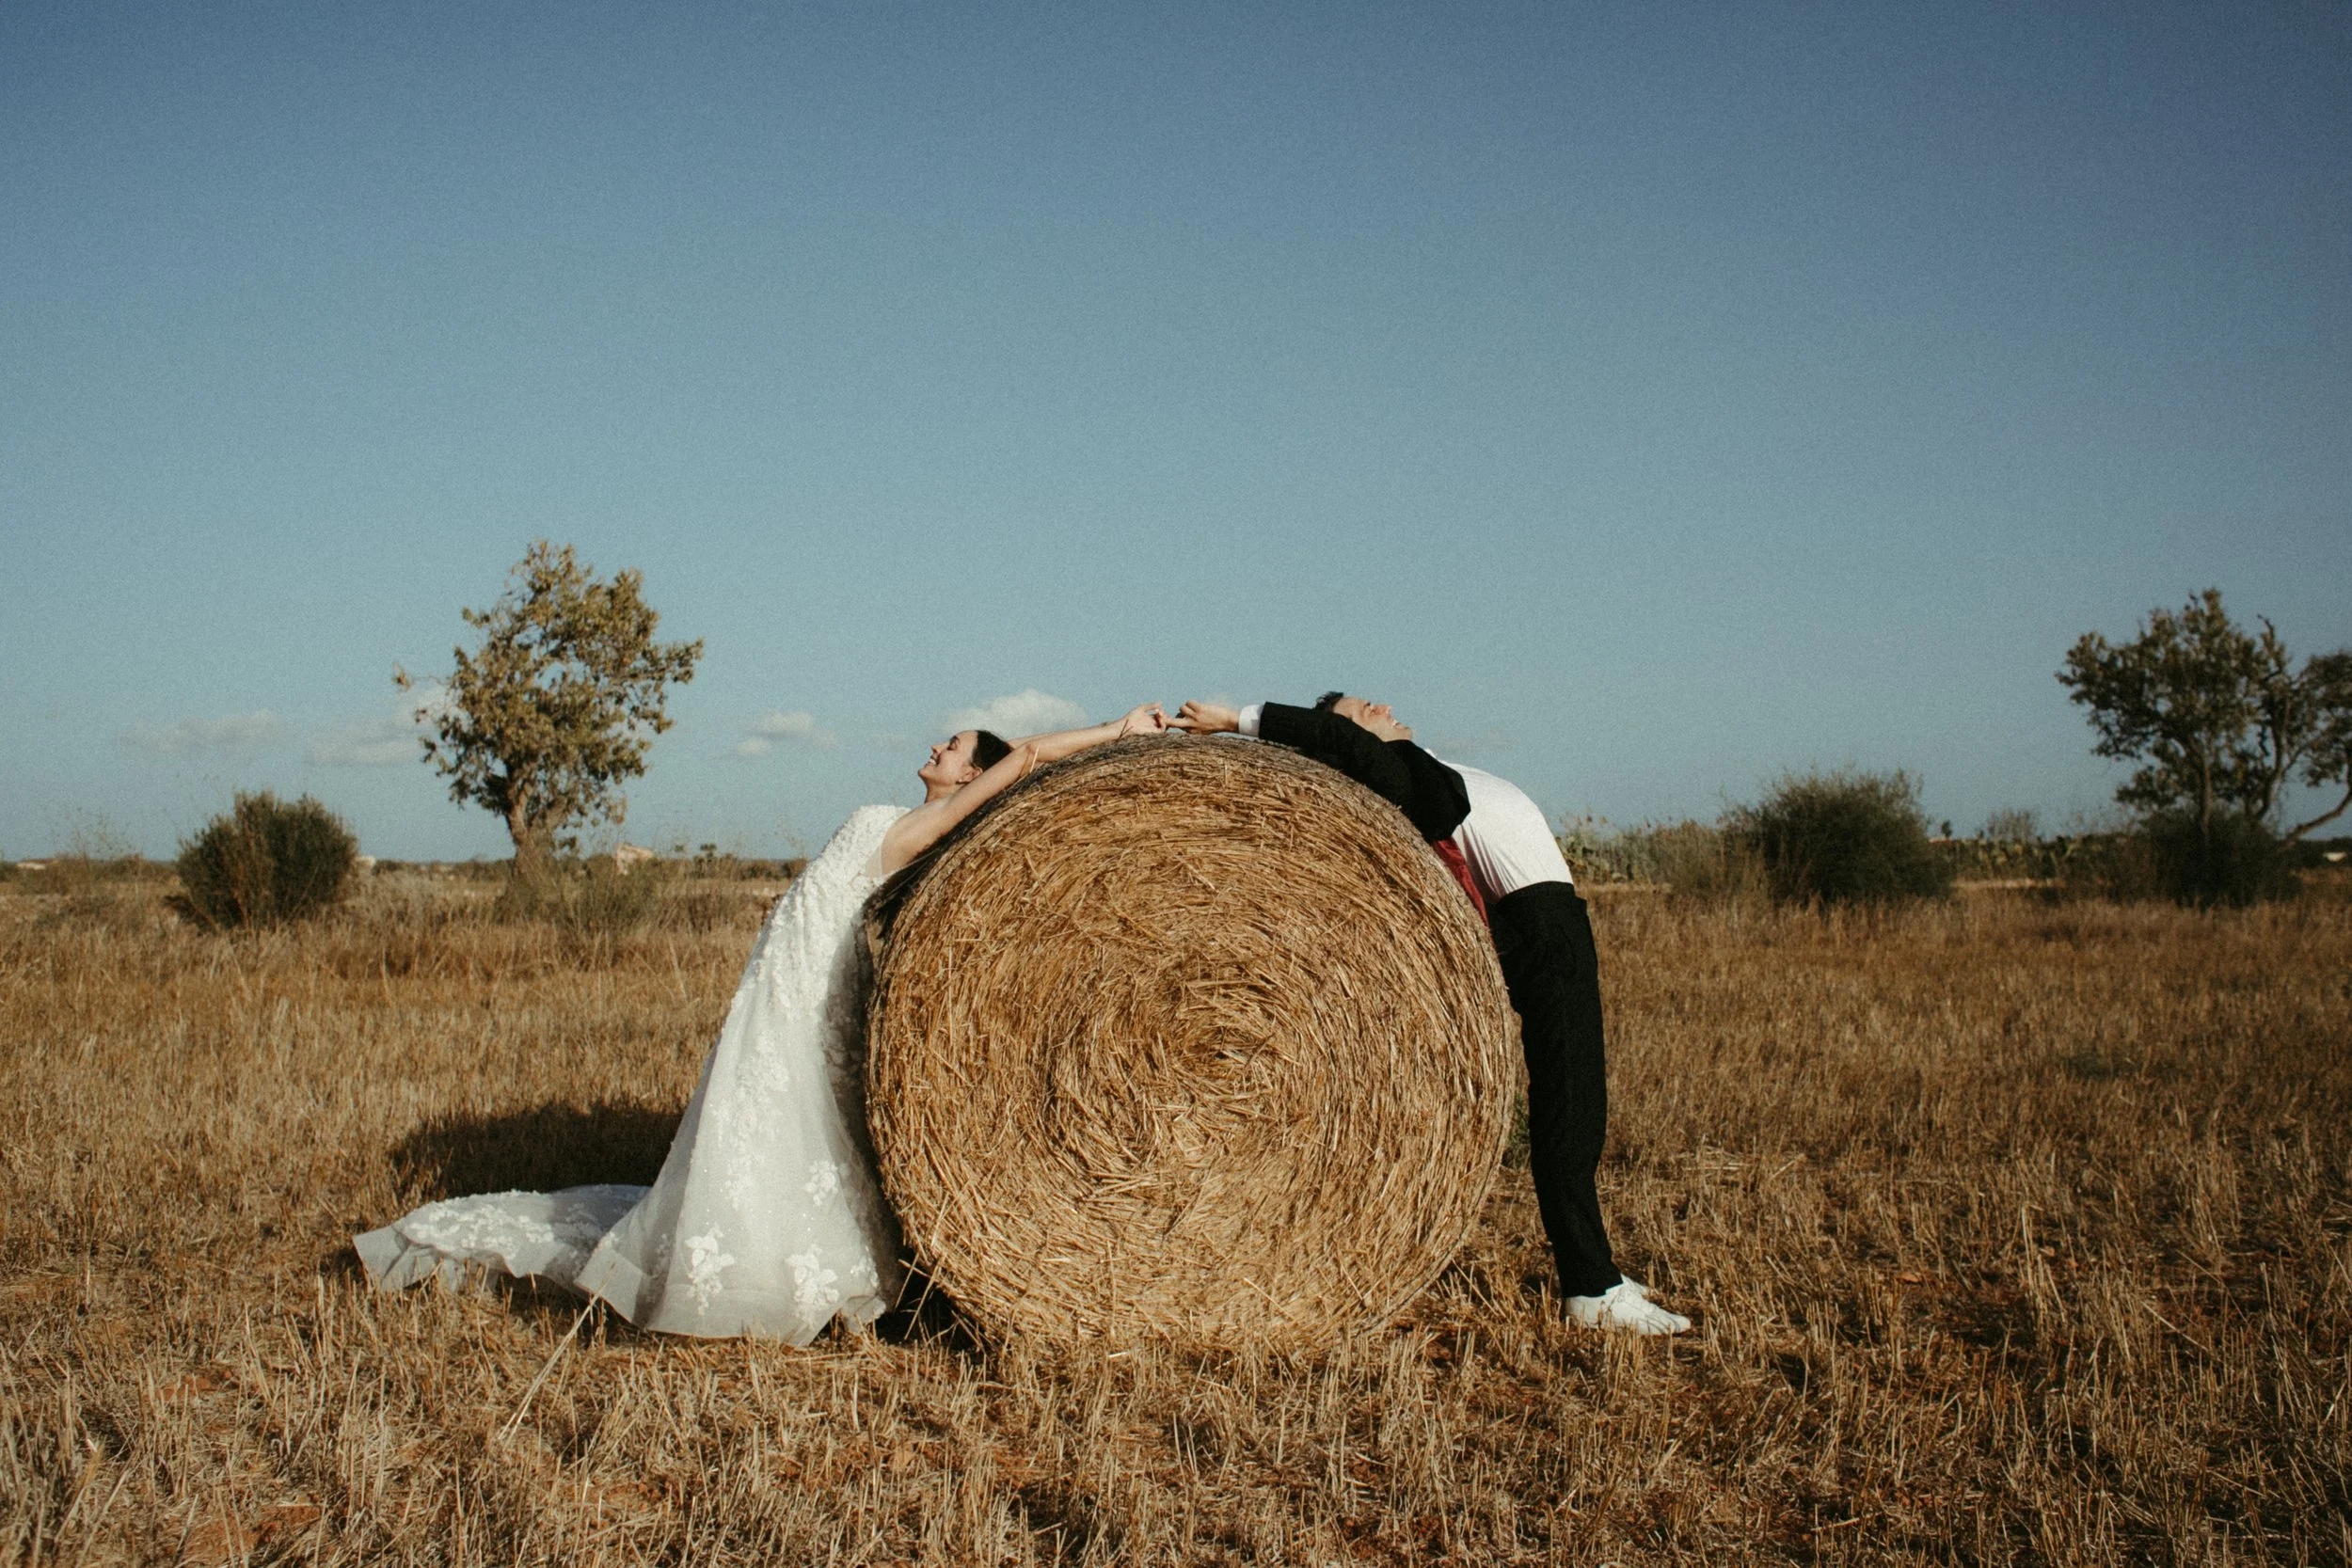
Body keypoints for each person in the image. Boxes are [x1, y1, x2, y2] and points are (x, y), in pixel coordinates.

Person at [356, 704, 1169, 1344]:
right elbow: (1008, 755)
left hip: (809, 978)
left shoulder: (929, 825)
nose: (937, 747)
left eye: (954, 745)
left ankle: (760, 1267)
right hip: (788, 969)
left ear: (973, 773)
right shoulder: (904, 813)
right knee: (760, 1117)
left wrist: (1116, 732)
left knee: (783, 1120)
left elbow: (1023, 754)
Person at [1173, 693, 1689, 1335]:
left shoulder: (1420, 767)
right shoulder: (1402, 772)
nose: (1382, 704)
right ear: (1343, 733)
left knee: (1581, 1110)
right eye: (1363, 707)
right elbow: (1353, 750)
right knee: (1569, 1114)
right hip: (1544, 935)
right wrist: (1242, 720)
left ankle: (1596, 1268)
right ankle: (1590, 1289)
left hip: (1556, 930)